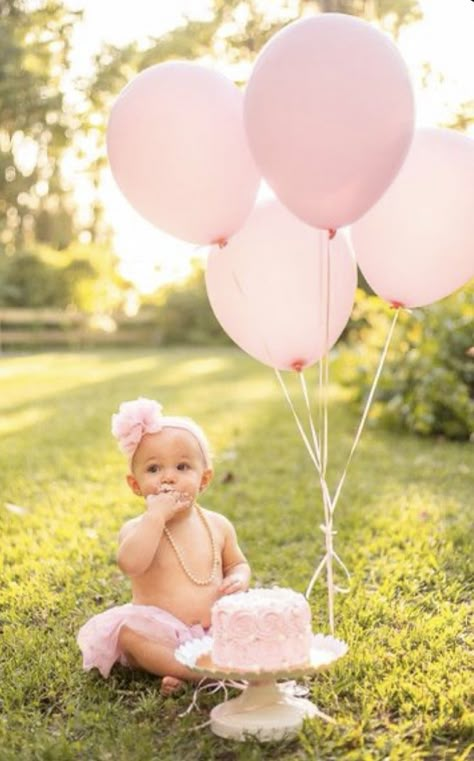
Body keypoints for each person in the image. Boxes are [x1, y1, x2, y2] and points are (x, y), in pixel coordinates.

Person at [77, 397, 251, 695]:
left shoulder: (217, 524)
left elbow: (237, 563)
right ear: (135, 485)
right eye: (154, 469)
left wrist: (238, 578)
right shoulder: (136, 529)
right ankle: (191, 670)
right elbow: (130, 564)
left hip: (213, 628)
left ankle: (195, 666)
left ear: (204, 479)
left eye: (182, 467)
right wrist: (156, 517)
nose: (169, 477)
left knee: (256, 623)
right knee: (130, 637)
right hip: (161, 632)